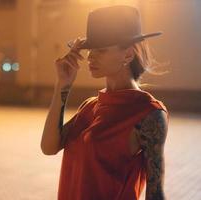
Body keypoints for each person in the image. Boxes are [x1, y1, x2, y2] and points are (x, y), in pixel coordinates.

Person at [40, 5, 169, 200]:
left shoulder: (148, 113)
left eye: (100, 50)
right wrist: (62, 84)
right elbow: (48, 147)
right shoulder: (90, 106)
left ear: (127, 54)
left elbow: (156, 193)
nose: (90, 56)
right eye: (90, 49)